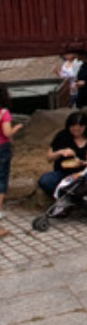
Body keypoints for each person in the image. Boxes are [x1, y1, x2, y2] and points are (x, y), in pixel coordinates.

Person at [0, 85, 15, 231]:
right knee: (1, 179)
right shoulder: (4, 113)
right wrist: (15, 129)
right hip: (2, 148)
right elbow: (7, 132)